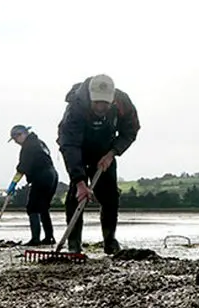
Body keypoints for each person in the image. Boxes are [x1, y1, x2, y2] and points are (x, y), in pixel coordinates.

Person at [57, 74, 140, 255]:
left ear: (112, 99)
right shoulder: (76, 107)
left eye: (105, 103)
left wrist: (112, 153)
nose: (101, 108)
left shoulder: (123, 103)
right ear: (90, 97)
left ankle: (110, 240)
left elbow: (130, 130)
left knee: (110, 196)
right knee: (76, 196)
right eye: (97, 103)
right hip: (78, 149)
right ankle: (74, 243)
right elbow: (69, 145)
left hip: (105, 151)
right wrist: (80, 183)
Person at [7, 124, 59, 246]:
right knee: (44, 207)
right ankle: (49, 237)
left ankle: (35, 239)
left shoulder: (28, 146)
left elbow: (22, 167)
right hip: (52, 175)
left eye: (15, 138)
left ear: (22, 134)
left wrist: (14, 183)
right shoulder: (39, 142)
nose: (16, 142)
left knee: (32, 207)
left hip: (42, 176)